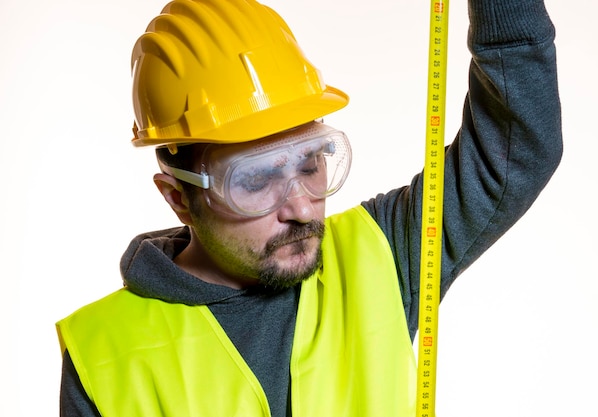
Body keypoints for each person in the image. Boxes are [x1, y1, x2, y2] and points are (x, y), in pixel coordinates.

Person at [56, 0, 562, 415]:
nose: (302, 207)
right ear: (179, 198)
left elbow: (515, 148)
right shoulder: (103, 355)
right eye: (255, 179)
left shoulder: (383, 254)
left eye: (312, 160)